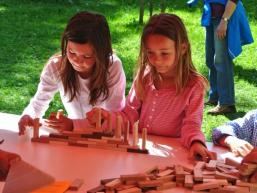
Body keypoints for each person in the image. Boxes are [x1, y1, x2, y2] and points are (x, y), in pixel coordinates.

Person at [87, 13, 215, 161]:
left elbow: (192, 124)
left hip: (174, 156)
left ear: (183, 48)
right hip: (143, 152)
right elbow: (129, 115)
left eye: (164, 53)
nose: (157, 60)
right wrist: (107, 117)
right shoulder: (145, 77)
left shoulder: (194, 85)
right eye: (150, 53)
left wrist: (196, 143)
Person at [18, 11, 126, 134]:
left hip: (104, 139)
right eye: (71, 52)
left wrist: (74, 125)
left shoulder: (112, 67)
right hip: (73, 137)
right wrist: (28, 115)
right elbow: (38, 103)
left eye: (87, 56)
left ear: (102, 52)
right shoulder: (55, 66)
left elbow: (114, 118)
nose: (78, 61)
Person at [187, 0, 253, 115]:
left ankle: (227, 103)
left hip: (224, 17)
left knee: (221, 60)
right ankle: (215, 97)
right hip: (211, 17)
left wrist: (224, 21)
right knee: (210, 59)